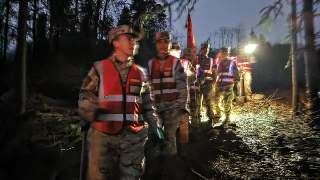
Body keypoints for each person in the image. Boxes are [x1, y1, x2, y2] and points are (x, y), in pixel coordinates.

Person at [78, 25, 163, 180]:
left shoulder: (141, 73)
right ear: (116, 43)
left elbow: (148, 103)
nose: (134, 43)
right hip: (103, 138)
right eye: (129, 39)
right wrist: (89, 113)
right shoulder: (99, 69)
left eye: (136, 41)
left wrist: (155, 125)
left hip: (134, 138)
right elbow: (86, 95)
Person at [148, 32, 188, 155]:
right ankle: (155, 163)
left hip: (172, 107)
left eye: (166, 42)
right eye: (160, 42)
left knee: (169, 137)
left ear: (169, 44)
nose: (163, 45)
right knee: (154, 135)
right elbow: (148, 86)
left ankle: (171, 164)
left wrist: (181, 107)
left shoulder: (176, 62)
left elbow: (182, 86)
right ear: (156, 44)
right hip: (156, 107)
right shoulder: (150, 63)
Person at [212, 47, 240, 128]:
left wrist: (236, 84)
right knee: (215, 100)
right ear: (220, 53)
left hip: (228, 84)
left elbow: (236, 73)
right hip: (219, 84)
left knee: (227, 102)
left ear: (227, 53)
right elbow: (215, 72)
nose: (224, 53)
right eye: (222, 52)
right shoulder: (217, 61)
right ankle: (218, 113)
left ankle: (227, 117)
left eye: (225, 52)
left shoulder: (232, 62)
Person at [198, 43, 216, 123]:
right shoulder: (196, 59)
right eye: (203, 49)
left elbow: (215, 72)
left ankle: (210, 117)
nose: (205, 51)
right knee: (198, 103)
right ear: (200, 50)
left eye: (206, 50)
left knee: (208, 102)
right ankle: (198, 118)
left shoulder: (211, 60)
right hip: (198, 84)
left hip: (208, 84)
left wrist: (213, 81)